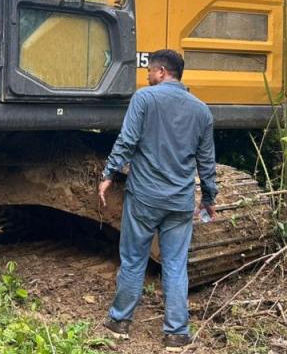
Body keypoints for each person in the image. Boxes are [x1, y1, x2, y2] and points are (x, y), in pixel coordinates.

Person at [97, 49, 218, 352]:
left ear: (162, 71)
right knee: (176, 265)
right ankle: (176, 334)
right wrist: (209, 198)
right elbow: (206, 161)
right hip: (179, 202)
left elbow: (127, 140)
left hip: (144, 198)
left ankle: (120, 322)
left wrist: (109, 173)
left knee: (134, 258)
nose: (147, 76)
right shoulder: (202, 111)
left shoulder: (145, 99)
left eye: (150, 71)